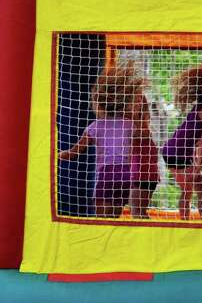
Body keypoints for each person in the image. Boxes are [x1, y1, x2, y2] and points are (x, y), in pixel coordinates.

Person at [58, 63, 145, 218]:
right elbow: (138, 144)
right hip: (126, 173)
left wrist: (55, 155)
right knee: (114, 219)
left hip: (107, 173)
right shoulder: (129, 124)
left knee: (101, 218)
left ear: (99, 103)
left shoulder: (95, 126)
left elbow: (73, 152)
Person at [160, 64, 202, 220]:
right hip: (177, 152)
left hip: (176, 150)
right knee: (188, 191)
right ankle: (184, 223)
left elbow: (194, 138)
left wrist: (196, 163)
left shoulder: (201, 107)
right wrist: (198, 165)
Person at [129, 92, 159, 218]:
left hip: (141, 175)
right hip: (147, 175)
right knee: (140, 212)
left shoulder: (137, 127)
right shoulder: (142, 126)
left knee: (137, 212)